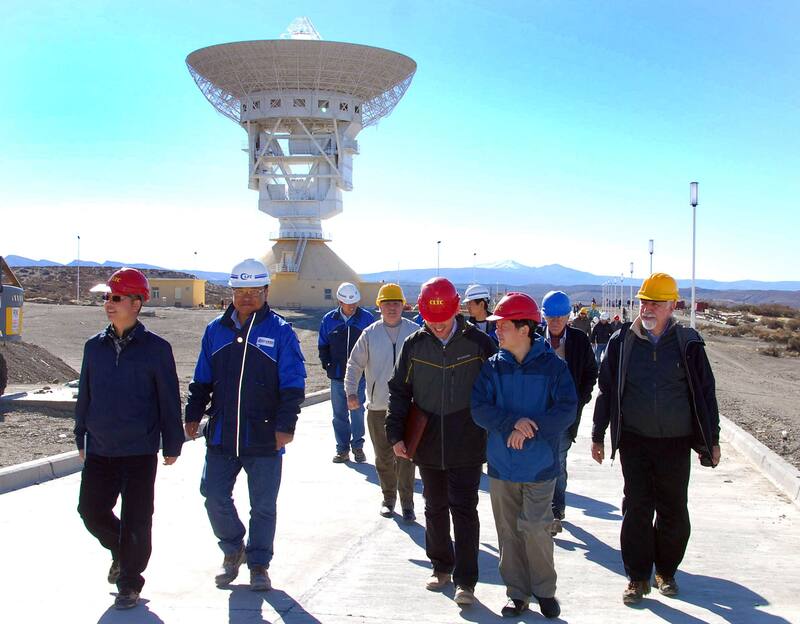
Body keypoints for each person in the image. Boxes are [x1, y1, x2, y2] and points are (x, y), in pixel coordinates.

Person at [592, 272, 721, 605]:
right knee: (636, 507)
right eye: (643, 302)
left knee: (673, 509)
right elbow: (606, 391)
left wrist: (712, 439)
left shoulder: (688, 343)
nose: (646, 309)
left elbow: (706, 393)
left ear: (671, 306)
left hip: (675, 442)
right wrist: (597, 434)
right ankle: (637, 577)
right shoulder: (621, 342)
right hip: (635, 440)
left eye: (654, 303)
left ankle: (666, 571)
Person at [185, 259, 306, 592]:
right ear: (232, 292)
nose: (247, 298)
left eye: (254, 291)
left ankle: (258, 565)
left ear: (266, 292)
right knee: (213, 495)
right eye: (241, 291)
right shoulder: (215, 330)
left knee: (263, 505)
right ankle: (233, 546)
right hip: (223, 433)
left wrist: (286, 427)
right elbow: (201, 379)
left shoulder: (280, 331)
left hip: (265, 436)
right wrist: (193, 414)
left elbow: (294, 384)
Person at [75, 267, 184, 610]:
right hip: (101, 448)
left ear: (137, 303)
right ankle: (122, 553)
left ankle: (130, 582)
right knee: (90, 510)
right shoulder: (94, 347)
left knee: (138, 518)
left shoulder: (157, 349)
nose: (109, 303)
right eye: (107, 297)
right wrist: (81, 435)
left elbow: (168, 397)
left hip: (139, 450)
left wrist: (173, 442)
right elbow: (85, 394)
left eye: (116, 297)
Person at [386, 277, 497, 606]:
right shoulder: (414, 345)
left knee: (465, 510)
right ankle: (441, 567)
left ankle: (466, 581)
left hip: (468, 439)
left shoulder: (478, 344)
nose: (436, 325)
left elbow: (496, 388)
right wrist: (396, 434)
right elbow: (399, 391)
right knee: (434, 508)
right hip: (429, 440)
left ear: (456, 308)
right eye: (430, 319)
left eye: (443, 317)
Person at [471, 293, 576, 619]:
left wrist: (530, 428)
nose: (497, 331)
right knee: (508, 532)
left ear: (524, 329)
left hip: (540, 467)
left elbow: (567, 408)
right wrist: (510, 423)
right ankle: (517, 594)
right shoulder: (492, 367)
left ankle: (544, 591)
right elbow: (479, 408)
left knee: (535, 528)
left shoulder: (554, 367)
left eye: (503, 325)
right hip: (502, 466)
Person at [345, 283, 419, 521]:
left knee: (407, 458)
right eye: (387, 303)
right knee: (384, 457)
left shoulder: (416, 332)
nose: (392, 308)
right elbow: (354, 365)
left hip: (409, 409)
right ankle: (388, 500)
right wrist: (351, 393)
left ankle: (408, 504)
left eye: (396, 303)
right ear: (379, 306)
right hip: (378, 408)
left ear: (403, 306)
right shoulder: (369, 334)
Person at [540, 291, 597, 535]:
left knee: (557, 460)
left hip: (564, 415)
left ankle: (556, 509)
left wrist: (578, 402)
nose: (555, 322)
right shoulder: (533, 341)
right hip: (538, 414)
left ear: (568, 316)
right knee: (541, 459)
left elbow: (590, 373)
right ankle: (541, 508)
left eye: (560, 317)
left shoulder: (579, 341)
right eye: (550, 317)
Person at [318, 282, 375, 463]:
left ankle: (358, 447)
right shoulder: (329, 320)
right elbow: (323, 345)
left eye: (354, 303)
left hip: (359, 376)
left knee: (357, 412)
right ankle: (342, 449)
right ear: (340, 302)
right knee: (339, 415)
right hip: (336, 376)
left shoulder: (366, 319)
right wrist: (327, 365)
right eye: (347, 303)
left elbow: (373, 345)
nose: (352, 306)